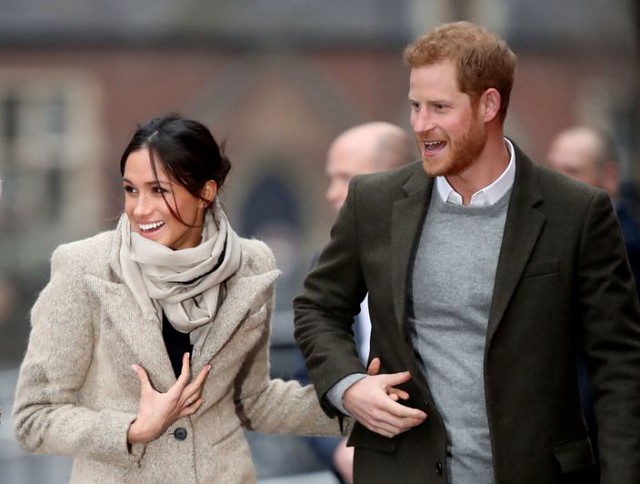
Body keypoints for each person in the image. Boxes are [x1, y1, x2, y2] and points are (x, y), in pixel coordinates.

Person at [294, 21, 640, 484]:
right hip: (400, 471)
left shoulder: (577, 212)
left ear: (489, 105)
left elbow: (619, 366)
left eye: (439, 107)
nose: (420, 125)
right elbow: (317, 307)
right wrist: (348, 386)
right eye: (416, 106)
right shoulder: (374, 202)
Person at [12, 113, 342, 483]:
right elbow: (33, 417)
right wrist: (132, 428)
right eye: (131, 190)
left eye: (159, 191)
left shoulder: (251, 265)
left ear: (206, 192)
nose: (140, 209)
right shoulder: (82, 268)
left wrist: (353, 404)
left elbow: (252, 400)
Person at [302, 121, 414, 483]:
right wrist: (340, 448)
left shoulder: (432, 254)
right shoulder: (326, 265)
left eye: (346, 178)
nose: (332, 193)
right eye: (330, 178)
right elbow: (311, 373)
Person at [546, 125, 640, 289]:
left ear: (610, 177)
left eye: (572, 171)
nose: (555, 181)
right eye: (551, 169)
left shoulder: (630, 247)